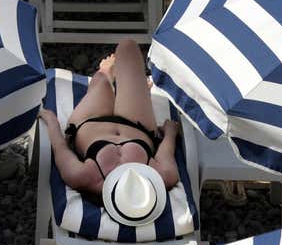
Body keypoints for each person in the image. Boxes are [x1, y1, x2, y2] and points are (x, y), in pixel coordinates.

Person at [39, 39, 181, 211]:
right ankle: (140, 89)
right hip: (137, 125)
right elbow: (167, 147)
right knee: (128, 46)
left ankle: (106, 72)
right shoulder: (163, 176)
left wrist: (50, 119)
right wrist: (170, 132)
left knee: (101, 82)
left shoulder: (81, 176)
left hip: (90, 121)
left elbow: (60, 147)